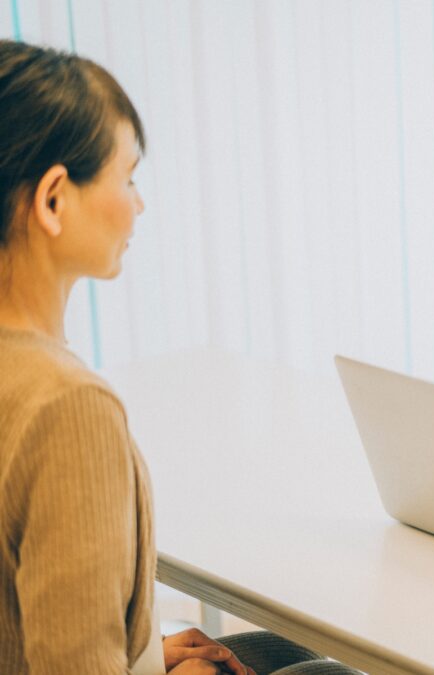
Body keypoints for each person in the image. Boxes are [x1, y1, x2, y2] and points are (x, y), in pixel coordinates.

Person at [0, 40, 362, 674]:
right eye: (127, 176)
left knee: (278, 650)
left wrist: (139, 657)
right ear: (54, 199)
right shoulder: (66, 406)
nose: (137, 203)